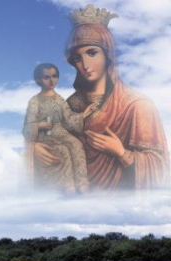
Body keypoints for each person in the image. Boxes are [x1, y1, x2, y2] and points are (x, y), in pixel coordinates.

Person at [31, 4, 169, 192]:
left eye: (92, 53)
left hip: (120, 212)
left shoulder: (137, 106)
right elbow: (48, 135)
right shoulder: (69, 104)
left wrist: (121, 153)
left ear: (108, 55)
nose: (85, 64)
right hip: (72, 207)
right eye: (77, 58)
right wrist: (36, 151)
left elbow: (161, 171)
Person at [24, 63, 94, 194]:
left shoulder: (59, 99)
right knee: (64, 151)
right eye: (46, 77)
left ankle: (82, 184)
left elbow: (68, 119)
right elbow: (28, 126)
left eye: (54, 76)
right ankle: (68, 187)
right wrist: (39, 125)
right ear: (38, 80)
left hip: (61, 133)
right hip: (45, 135)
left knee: (76, 145)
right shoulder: (35, 101)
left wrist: (83, 115)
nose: (51, 81)